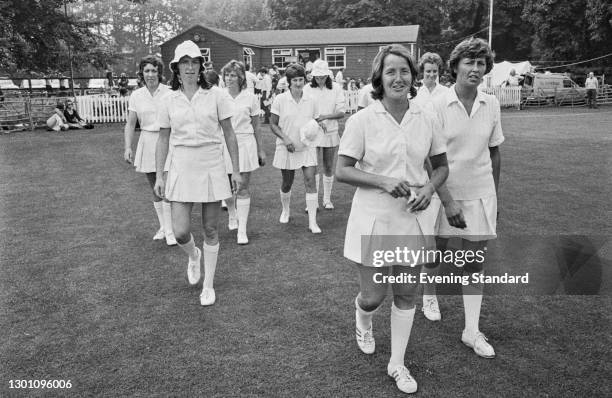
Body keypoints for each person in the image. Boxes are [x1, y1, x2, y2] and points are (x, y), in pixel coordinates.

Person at [335, 44, 449, 394]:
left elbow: (442, 166)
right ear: (379, 79)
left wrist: (430, 188)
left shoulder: (426, 117)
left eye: (404, 71)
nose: (398, 78)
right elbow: (342, 170)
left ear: (413, 77)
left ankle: (397, 364)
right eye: (391, 72)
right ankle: (363, 320)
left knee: (407, 292)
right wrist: (383, 180)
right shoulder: (363, 119)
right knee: (372, 296)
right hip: (373, 220)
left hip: (411, 219)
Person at [431, 37, 504, 359]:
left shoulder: (492, 103)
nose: (475, 69)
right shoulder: (436, 104)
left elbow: (494, 151)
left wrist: (493, 195)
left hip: (480, 194)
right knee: (436, 255)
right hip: (443, 195)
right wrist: (446, 199)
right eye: (469, 62)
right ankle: (429, 294)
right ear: (456, 66)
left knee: (473, 264)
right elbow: (427, 157)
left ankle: (471, 330)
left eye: (480, 63)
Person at [154, 40, 241, 306]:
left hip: (211, 163)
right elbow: (163, 138)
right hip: (181, 165)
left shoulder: (216, 94)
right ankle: (194, 256)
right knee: (180, 231)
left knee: (211, 229)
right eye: (185, 63)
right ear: (176, 68)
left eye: (194, 63)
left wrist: (235, 170)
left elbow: (229, 133)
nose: (190, 68)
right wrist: (160, 174)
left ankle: (208, 284)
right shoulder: (168, 99)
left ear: (200, 66)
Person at [123, 55, 176, 246]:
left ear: (159, 73)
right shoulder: (137, 95)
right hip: (147, 141)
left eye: (154, 70)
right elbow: (130, 124)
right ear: (141, 74)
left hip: (167, 141)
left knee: (167, 187)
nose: (151, 74)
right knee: (155, 188)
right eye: (147, 71)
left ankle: (171, 231)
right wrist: (128, 147)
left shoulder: (170, 92)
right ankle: (163, 227)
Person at [270, 63, 323, 234]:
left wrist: (316, 130)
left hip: (307, 147)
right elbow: (273, 124)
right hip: (287, 147)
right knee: (287, 183)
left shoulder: (312, 100)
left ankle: (313, 222)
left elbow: (316, 121)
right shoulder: (280, 99)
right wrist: (285, 139)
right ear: (289, 81)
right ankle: (286, 210)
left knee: (310, 181)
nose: (298, 83)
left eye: (301, 79)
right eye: (295, 80)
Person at [221, 60, 267, 244]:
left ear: (241, 78)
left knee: (242, 187)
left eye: (233, 75)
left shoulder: (250, 98)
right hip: (223, 144)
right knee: (225, 187)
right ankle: (232, 214)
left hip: (246, 143)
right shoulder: (218, 96)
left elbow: (256, 126)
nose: (229, 78)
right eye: (227, 75)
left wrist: (260, 150)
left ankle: (242, 230)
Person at [303, 59, 345, 210]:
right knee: (313, 166)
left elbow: (341, 112)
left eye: (323, 76)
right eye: (317, 77)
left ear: (328, 75)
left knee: (328, 166)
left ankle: (327, 199)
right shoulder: (307, 88)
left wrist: (325, 117)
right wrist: (316, 121)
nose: (320, 79)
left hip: (330, 132)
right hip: (313, 132)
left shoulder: (337, 88)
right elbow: (304, 110)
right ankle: (313, 200)